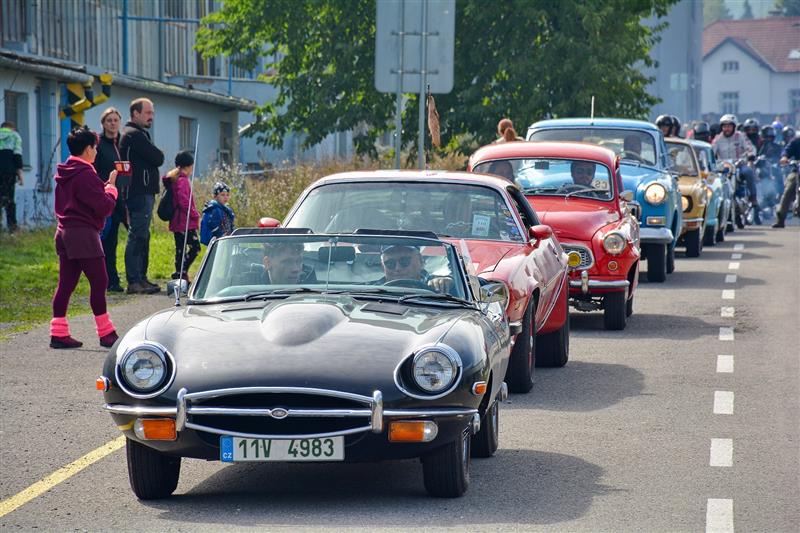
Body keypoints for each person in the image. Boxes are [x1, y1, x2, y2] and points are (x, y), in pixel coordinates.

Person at [50, 126, 119, 349]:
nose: (96, 152)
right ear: (88, 149)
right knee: (100, 281)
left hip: (63, 232)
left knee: (66, 284)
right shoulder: (86, 173)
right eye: (95, 147)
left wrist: (104, 186)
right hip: (83, 234)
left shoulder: (65, 171)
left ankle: (58, 332)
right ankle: (106, 333)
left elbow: (84, 196)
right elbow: (103, 207)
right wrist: (112, 191)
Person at [120, 98, 164, 294]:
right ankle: (134, 280)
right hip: (138, 192)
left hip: (144, 192)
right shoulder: (133, 135)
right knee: (137, 236)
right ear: (135, 113)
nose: (151, 117)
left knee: (143, 236)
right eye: (147, 113)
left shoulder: (140, 134)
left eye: (152, 113)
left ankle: (142, 278)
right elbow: (158, 157)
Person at [92, 107, 127, 292]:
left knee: (136, 239)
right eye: (109, 120)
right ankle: (111, 281)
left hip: (127, 198)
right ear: (103, 123)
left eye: (115, 120)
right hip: (109, 198)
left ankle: (137, 278)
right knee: (108, 242)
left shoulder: (124, 142)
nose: (113, 123)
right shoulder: (98, 144)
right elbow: (94, 171)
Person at [713, 114, 759, 223]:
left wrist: (751, 155)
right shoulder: (717, 139)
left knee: (748, 172)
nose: (727, 128)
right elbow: (712, 151)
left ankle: (753, 197)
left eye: (729, 126)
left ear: (734, 127)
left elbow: (750, 147)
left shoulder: (741, 136)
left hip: (739, 165)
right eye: (724, 126)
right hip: (724, 167)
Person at [162, 151, 200, 282]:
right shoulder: (183, 181)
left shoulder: (175, 179)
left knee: (180, 249)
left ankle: (181, 274)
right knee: (195, 247)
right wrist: (195, 215)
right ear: (189, 166)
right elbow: (184, 202)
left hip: (177, 222)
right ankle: (181, 271)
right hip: (184, 222)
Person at [772, 134, 800, 228]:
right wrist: (784, 157)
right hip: (797, 171)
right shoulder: (796, 140)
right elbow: (787, 150)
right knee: (789, 189)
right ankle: (780, 219)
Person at [0, 121, 24, 232]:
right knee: (9, 199)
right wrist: (20, 175)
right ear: (12, 128)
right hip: (9, 172)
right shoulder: (15, 136)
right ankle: (12, 227)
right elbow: (17, 156)